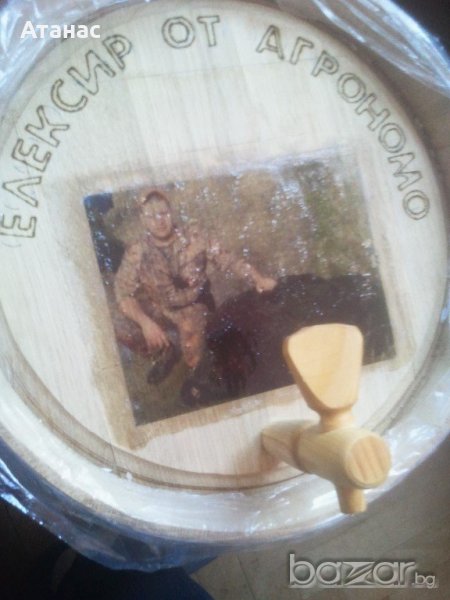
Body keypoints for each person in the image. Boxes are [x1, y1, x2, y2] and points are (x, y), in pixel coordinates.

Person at [114, 189, 276, 371]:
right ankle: (167, 350)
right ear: (143, 220)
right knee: (118, 324)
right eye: (151, 216)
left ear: (171, 212)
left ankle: (195, 364)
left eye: (163, 213)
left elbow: (228, 260)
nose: (159, 221)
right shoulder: (137, 251)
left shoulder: (194, 236)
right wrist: (146, 323)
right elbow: (123, 292)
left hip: (194, 306)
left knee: (195, 353)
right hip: (160, 306)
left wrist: (258, 278)